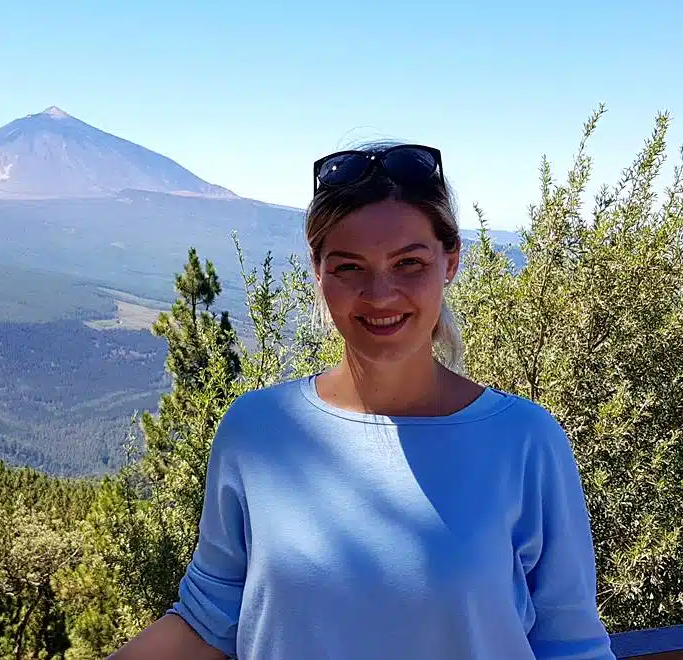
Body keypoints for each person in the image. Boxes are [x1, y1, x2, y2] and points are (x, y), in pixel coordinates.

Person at [108, 142, 614, 659]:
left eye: (408, 263)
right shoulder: (256, 432)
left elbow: (571, 645)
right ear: (318, 271)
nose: (380, 294)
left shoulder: (524, 441)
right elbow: (206, 620)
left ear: (451, 261)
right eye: (349, 267)